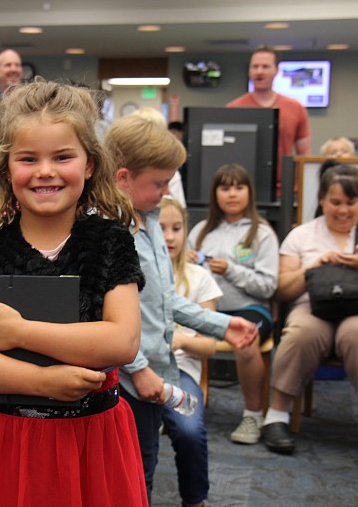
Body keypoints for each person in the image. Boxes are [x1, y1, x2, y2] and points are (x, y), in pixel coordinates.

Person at [0, 79, 148, 506]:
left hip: (90, 439)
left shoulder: (109, 242)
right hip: (4, 437)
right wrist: (43, 381)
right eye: (28, 159)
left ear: (89, 164)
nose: (45, 171)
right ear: (5, 168)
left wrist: (21, 332)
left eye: (63, 157)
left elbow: (122, 341)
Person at [105, 114, 258, 504]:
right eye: (159, 183)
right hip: (125, 379)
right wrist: (137, 370)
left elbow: (165, 300)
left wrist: (222, 325)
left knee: (146, 468)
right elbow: (102, 316)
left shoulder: (152, 222)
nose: (167, 190)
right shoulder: (107, 232)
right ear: (123, 178)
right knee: (130, 474)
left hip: (156, 370)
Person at [262, 163, 358, 473]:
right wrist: (312, 268)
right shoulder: (301, 236)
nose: (344, 210)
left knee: (356, 332)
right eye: (335, 202)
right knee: (302, 330)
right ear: (321, 200)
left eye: (351, 202)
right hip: (313, 309)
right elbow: (282, 290)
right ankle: (276, 415)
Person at [188, 163, 279, 446]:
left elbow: (268, 285)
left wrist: (231, 270)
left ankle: (253, 414)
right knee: (174, 333)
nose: (232, 194)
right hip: (207, 307)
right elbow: (179, 276)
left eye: (239, 187)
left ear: (249, 193)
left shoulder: (262, 233)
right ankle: (178, 407)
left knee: (246, 339)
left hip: (250, 308)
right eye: (225, 188)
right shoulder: (201, 231)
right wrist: (185, 263)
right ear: (214, 194)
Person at [158, 197, 221, 507]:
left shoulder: (200, 278)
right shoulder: (130, 273)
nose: (169, 237)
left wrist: (181, 341)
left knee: (188, 430)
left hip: (180, 370)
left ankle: (194, 500)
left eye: (177, 228)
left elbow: (209, 345)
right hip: (133, 368)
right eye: (161, 228)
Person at [227, 45, 310, 193]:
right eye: (255, 67)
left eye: (265, 67)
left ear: (276, 70)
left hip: (285, 191)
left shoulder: (295, 108)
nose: (259, 72)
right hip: (243, 189)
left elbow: (303, 154)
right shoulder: (234, 108)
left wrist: (299, 186)